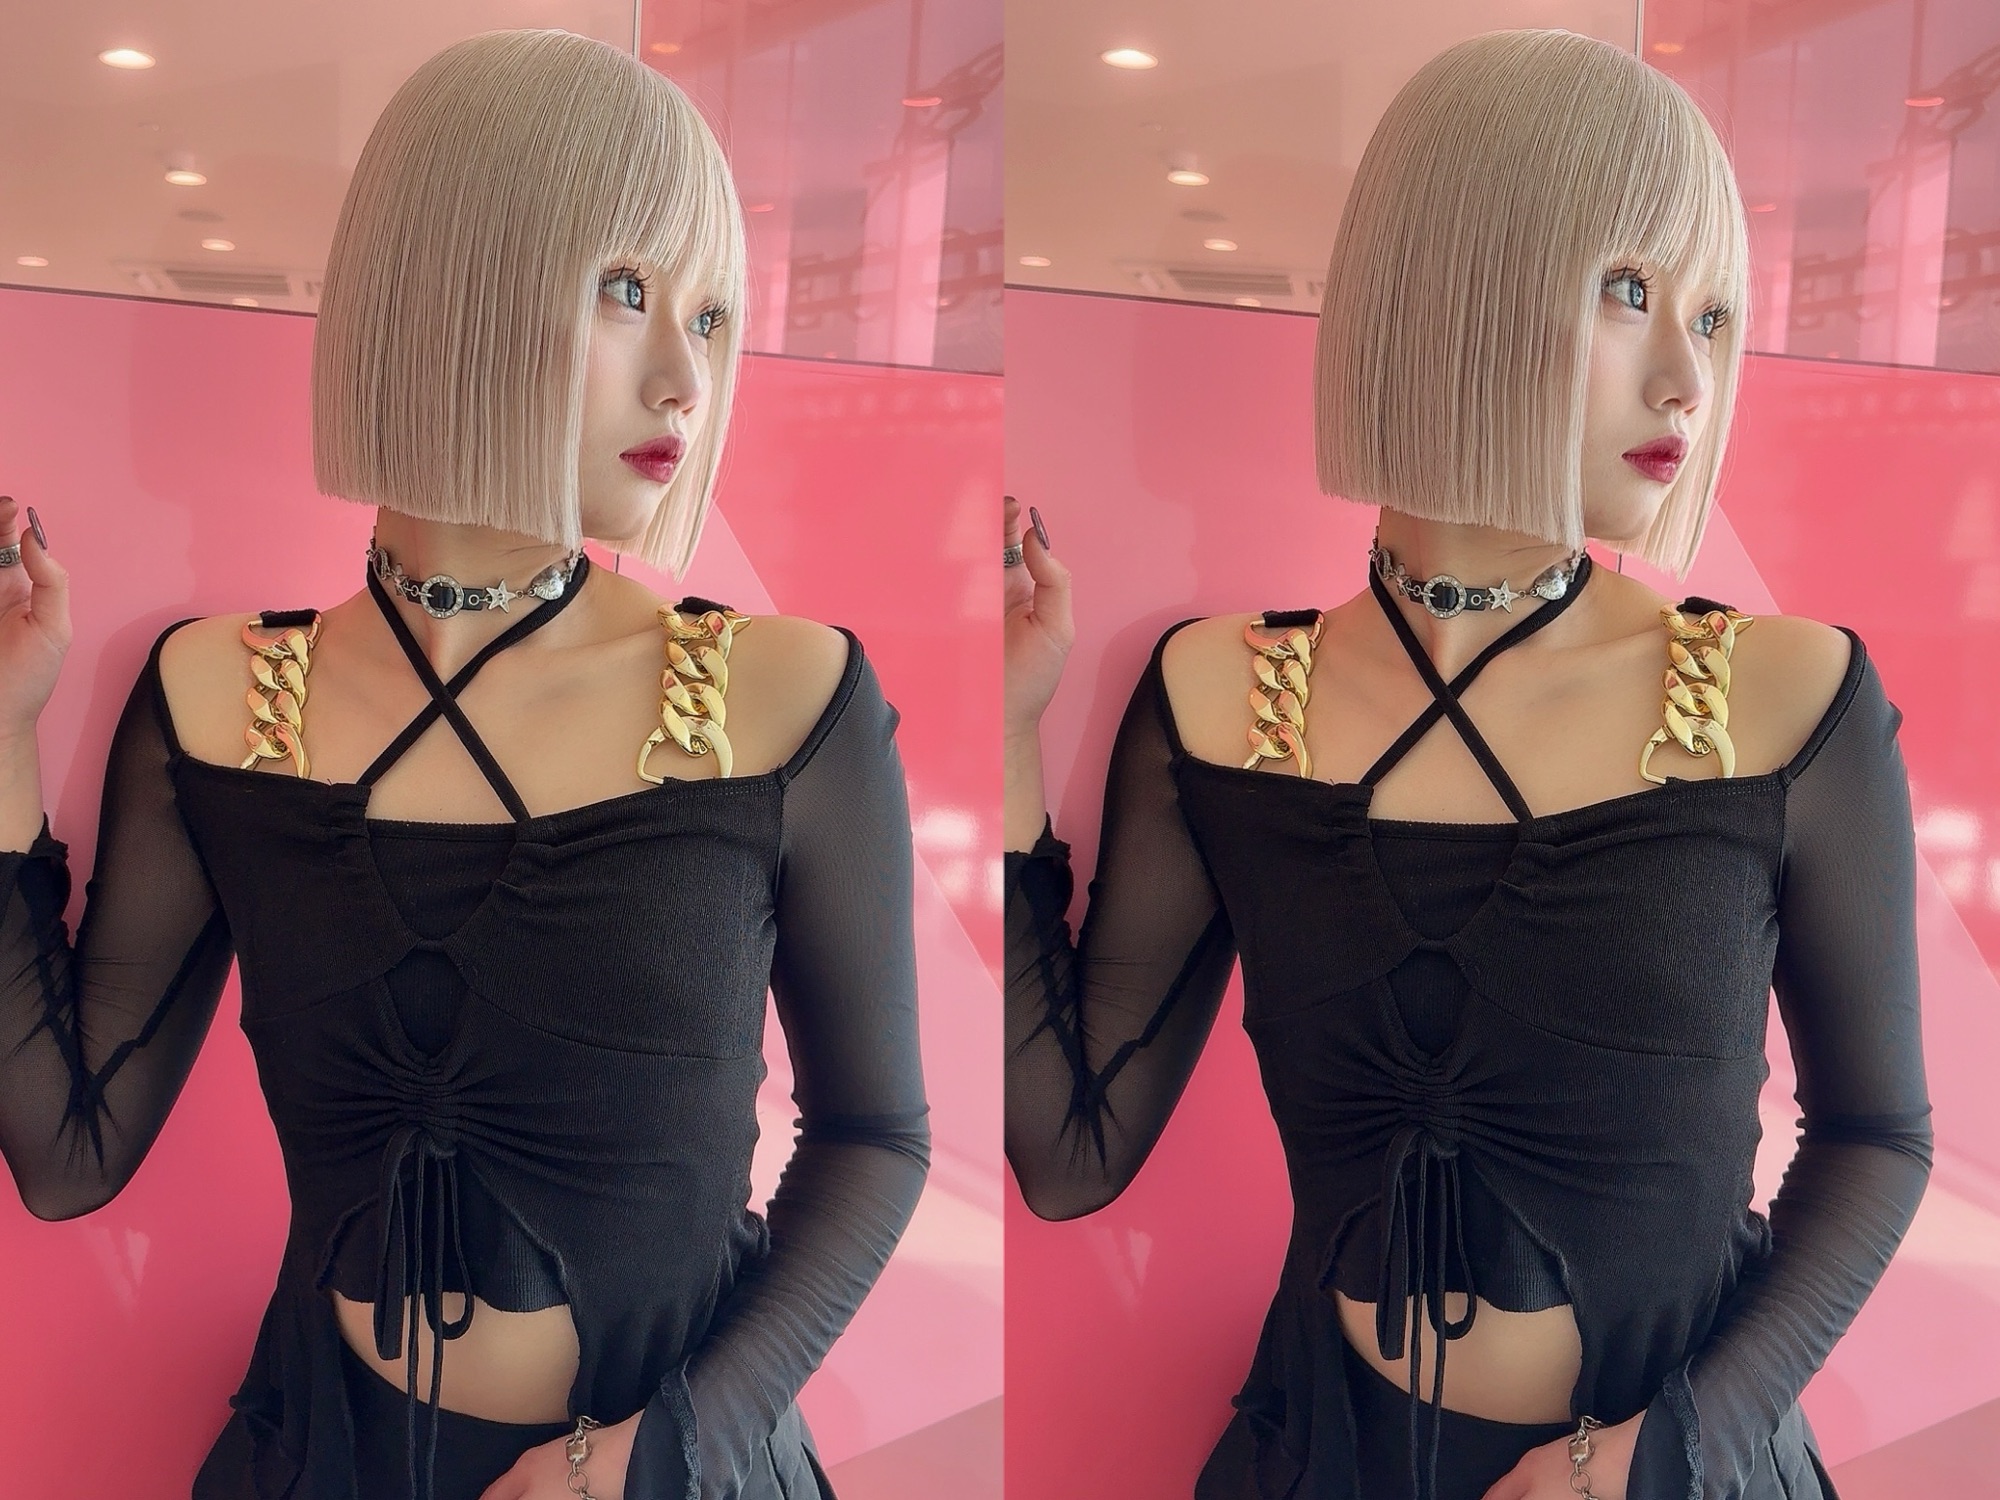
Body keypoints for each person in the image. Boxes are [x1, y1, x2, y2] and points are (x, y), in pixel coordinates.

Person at [0, 29, 928, 1500]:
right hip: (324, 1459)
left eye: (711, 316)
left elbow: (876, 1137)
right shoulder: (226, 696)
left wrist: (655, 1456)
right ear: (455, 280)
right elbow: (67, 1154)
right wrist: (4, 732)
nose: (685, 378)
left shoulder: (781, 694)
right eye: (628, 291)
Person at [1003, 29, 1929, 1500]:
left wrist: (1656, 1456)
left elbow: (1877, 1138)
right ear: (1456, 282)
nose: (1687, 377)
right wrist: (1008, 731)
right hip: (1325, 1459)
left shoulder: (1784, 695)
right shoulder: (1230, 696)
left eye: (1713, 316)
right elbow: (1070, 1156)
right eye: (1630, 292)